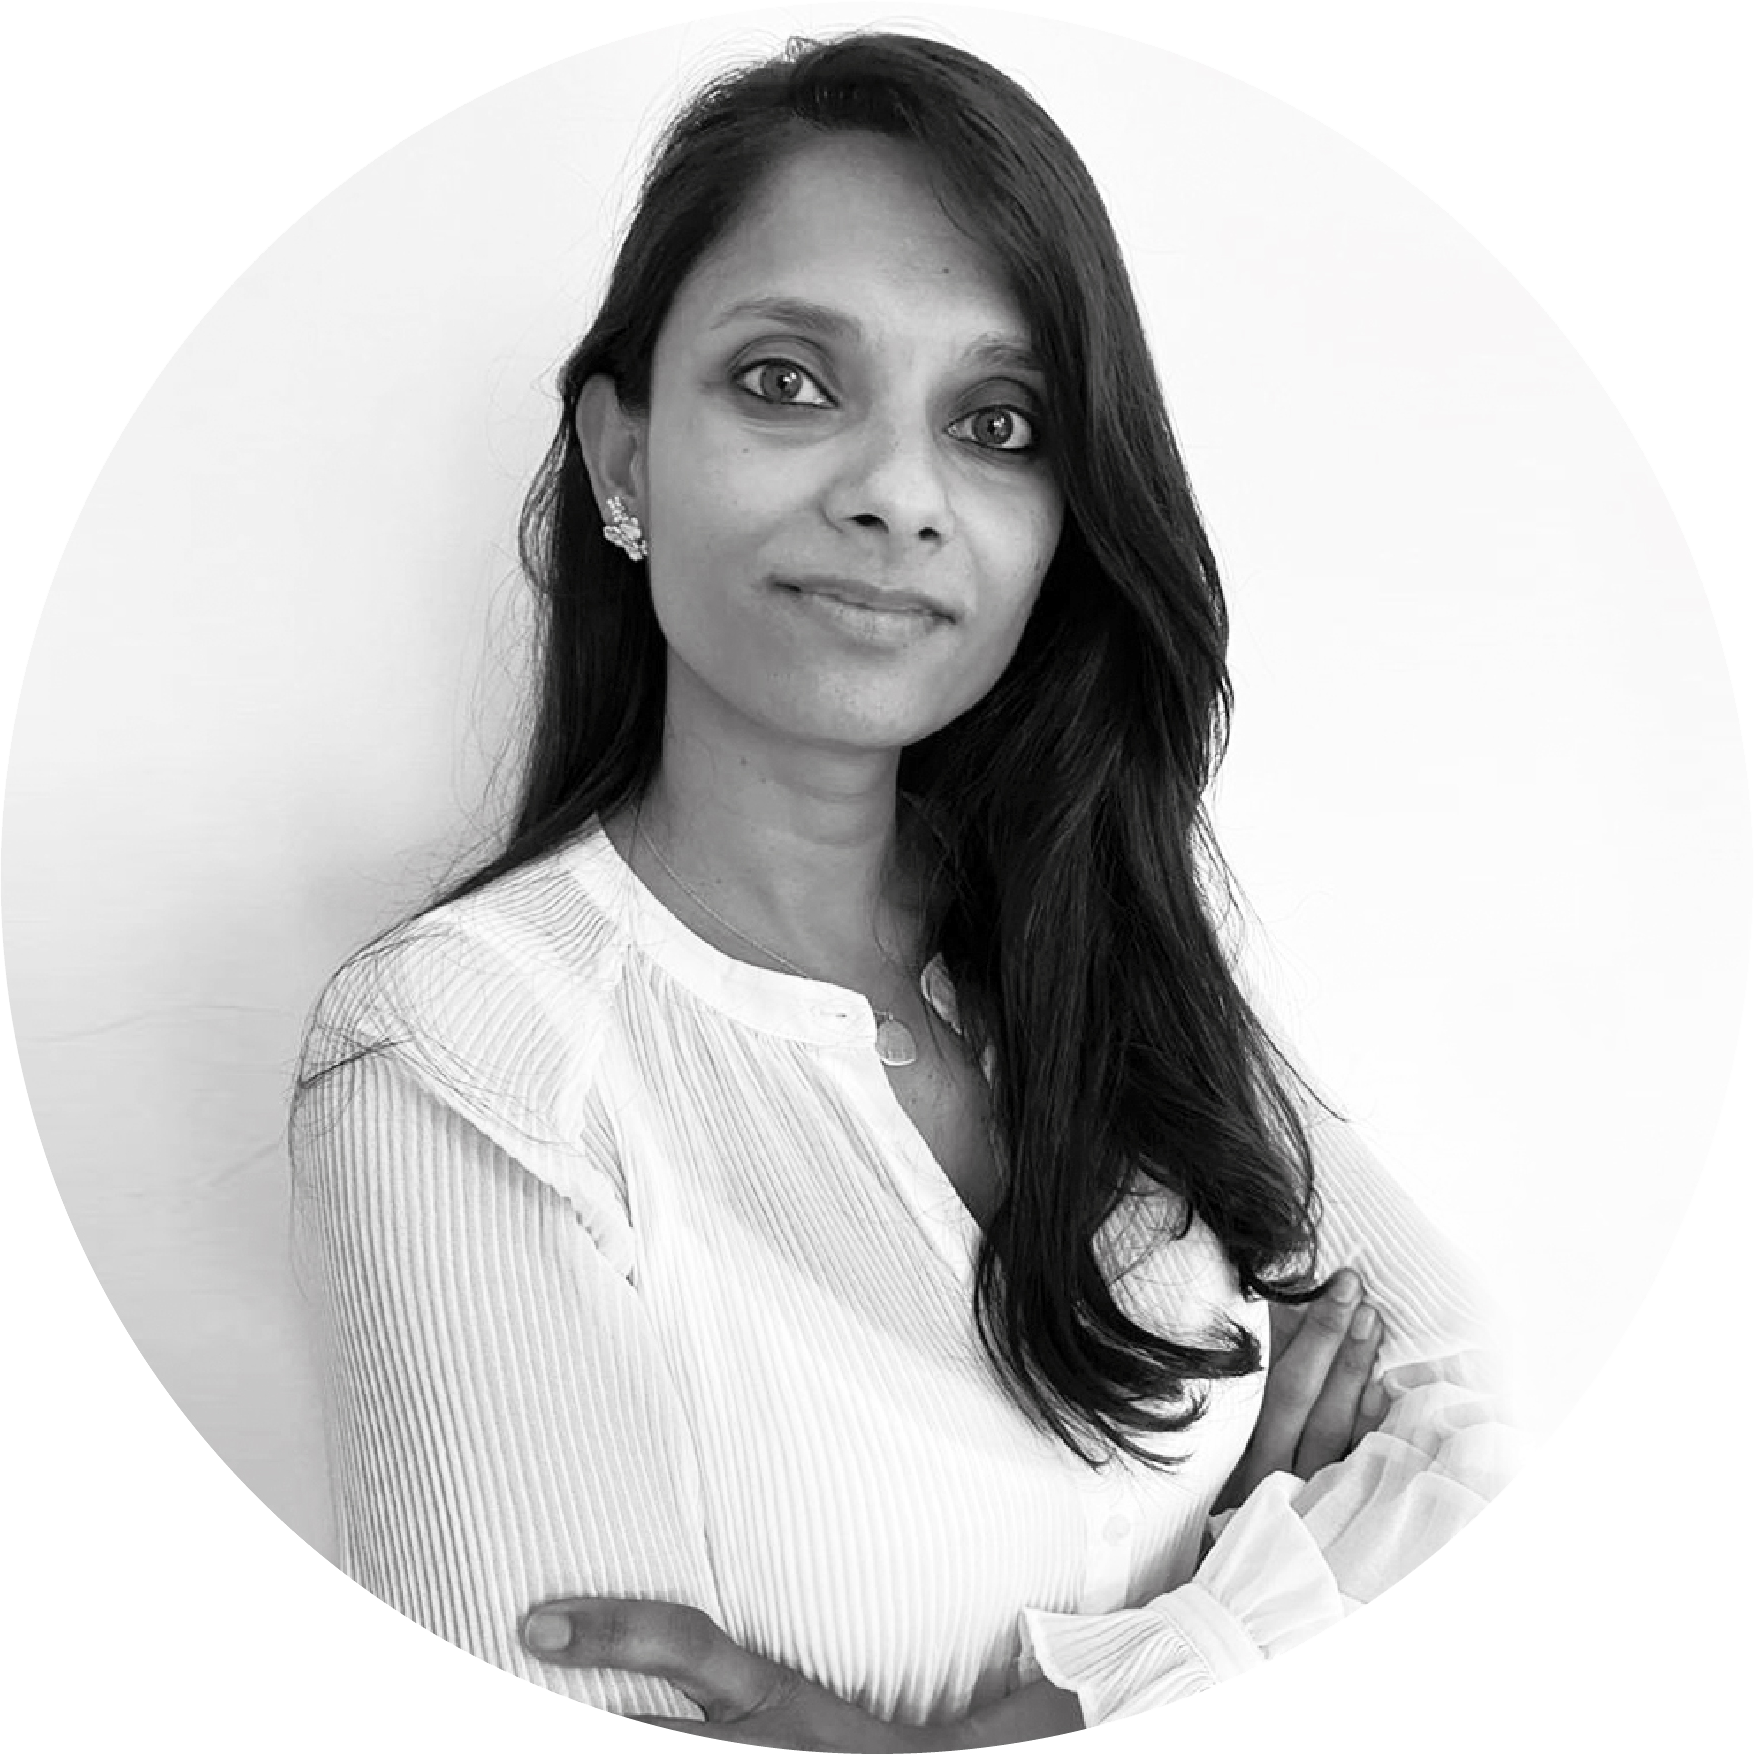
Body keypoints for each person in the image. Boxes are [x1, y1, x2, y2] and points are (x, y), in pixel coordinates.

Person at [292, 30, 1517, 1745]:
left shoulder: (1099, 951)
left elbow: (1489, 1439)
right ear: (624, 460)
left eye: (995, 424)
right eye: (786, 381)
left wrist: (1026, 1712)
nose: (893, 495)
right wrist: (1254, 1583)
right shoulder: (462, 1061)